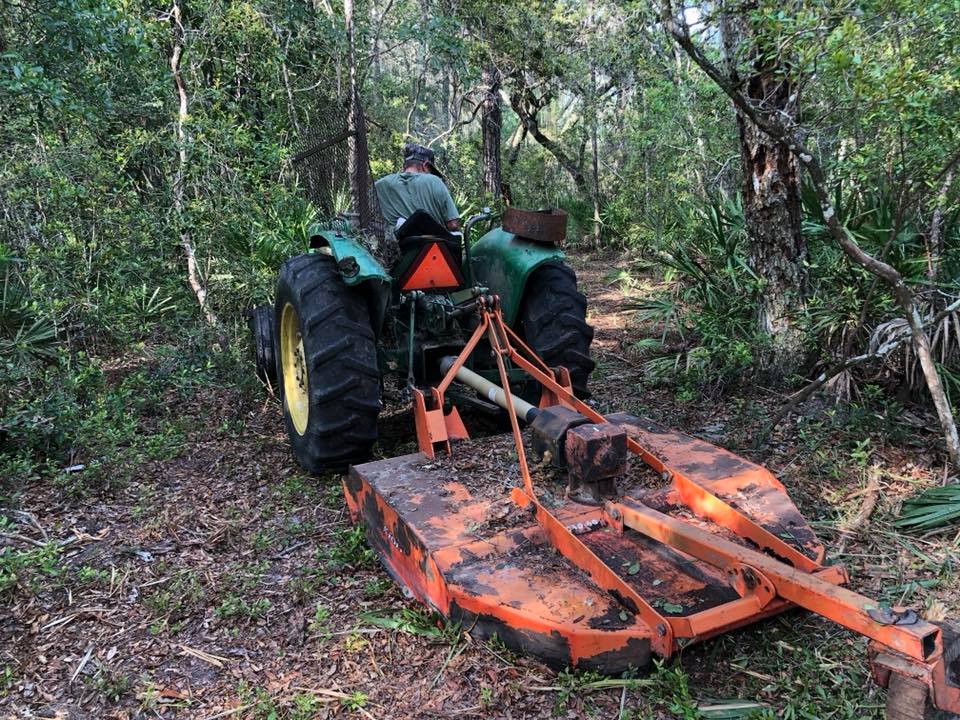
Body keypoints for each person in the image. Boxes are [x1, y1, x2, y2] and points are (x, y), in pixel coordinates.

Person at [374, 143, 461, 234]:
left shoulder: (380, 185)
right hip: (433, 245)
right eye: (430, 170)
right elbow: (453, 224)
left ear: (404, 166)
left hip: (390, 245)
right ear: (425, 165)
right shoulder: (435, 181)